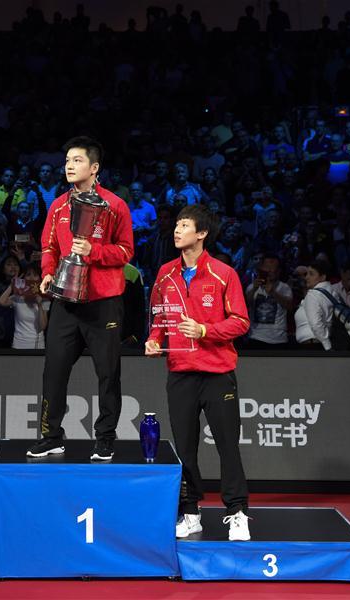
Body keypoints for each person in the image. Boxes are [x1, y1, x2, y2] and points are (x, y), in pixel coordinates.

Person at [145, 204, 251, 541]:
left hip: (217, 373)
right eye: (176, 224)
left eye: (185, 225)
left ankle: (237, 513)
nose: (177, 230)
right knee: (184, 448)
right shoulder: (165, 274)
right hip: (180, 373)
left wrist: (204, 331)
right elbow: (160, 317)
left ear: (202, 234)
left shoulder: (223, 274)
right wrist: (152, 340)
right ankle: (190, 513)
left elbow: (241, 321)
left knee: (227, 446)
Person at [27, 136, 134, 460]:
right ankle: (51, 435)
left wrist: (95, 252)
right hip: (65, 301)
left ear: (94, 167)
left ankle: (105, 438)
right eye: (67, 161)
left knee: (107, 372)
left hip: (104, 301)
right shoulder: (58, 205)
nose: (69, 166)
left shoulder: (115, 205)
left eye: (77, 160)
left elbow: (127, 251)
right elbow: (49, 247)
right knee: (54, 370)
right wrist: (47, 272)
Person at [244, 254, 293, 348]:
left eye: (273, 268)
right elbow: (246, 305)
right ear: (261, 269)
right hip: (256, 337)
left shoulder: (284, 287)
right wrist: (254, 288)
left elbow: (290, 307)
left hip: (279, 338)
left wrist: (273, 293)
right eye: (267, 267)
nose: (270, 271)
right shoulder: (251, 287)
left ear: (278, 271)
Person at [0, 262, 49, 349]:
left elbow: (42, 326)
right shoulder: (17, 297)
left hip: (38, 345)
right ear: (23, 278)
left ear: (40, 278)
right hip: (18, 344)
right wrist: (13, 285)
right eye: (28, 275)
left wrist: (40, 305)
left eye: (35, 275)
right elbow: (1, 302)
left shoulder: (44, 299)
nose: (32, 278)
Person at [295, 259, 335, 349]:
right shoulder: (333, 292)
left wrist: (327, 347)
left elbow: (316, 323)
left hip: (313, 345)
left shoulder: (313, 295)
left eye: (311, 274)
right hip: (319, 344)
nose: (306, 277)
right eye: (307, 274)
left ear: (323, 277)